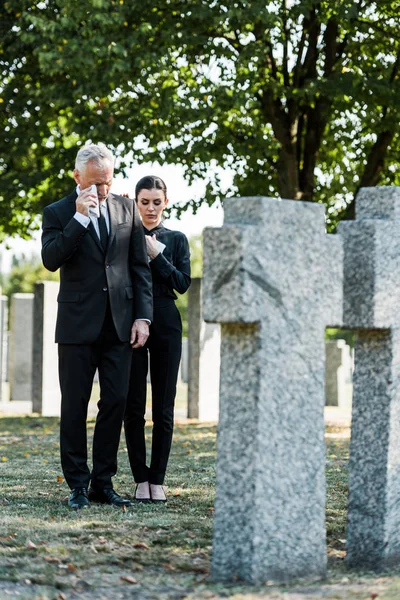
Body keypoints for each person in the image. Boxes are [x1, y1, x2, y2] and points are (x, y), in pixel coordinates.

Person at [42, 144, 153, 510]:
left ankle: (102, 483)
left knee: (117, 402)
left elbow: (138, 266)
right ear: (77, 177)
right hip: (76, 325)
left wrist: (142, 316)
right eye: (94, 184)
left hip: (119, 324)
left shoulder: (126, 209)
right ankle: (77, 484)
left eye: (106, 183)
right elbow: (51, 259)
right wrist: (79, 219)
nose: (101, 192)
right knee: (74, 405)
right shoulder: (57, 212)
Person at [124, 176, 191, 503]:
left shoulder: (177, 239)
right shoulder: (125, 235)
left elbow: (182, 283)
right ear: (135, 203)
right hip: (132, 321)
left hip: (166, 321)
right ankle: (140, 479)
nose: (150, 208)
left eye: (156, 202)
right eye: (144, 202)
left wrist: (157, 255)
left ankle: (158, 479)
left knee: (163, 406)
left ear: (166, 202)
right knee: (132, 405)